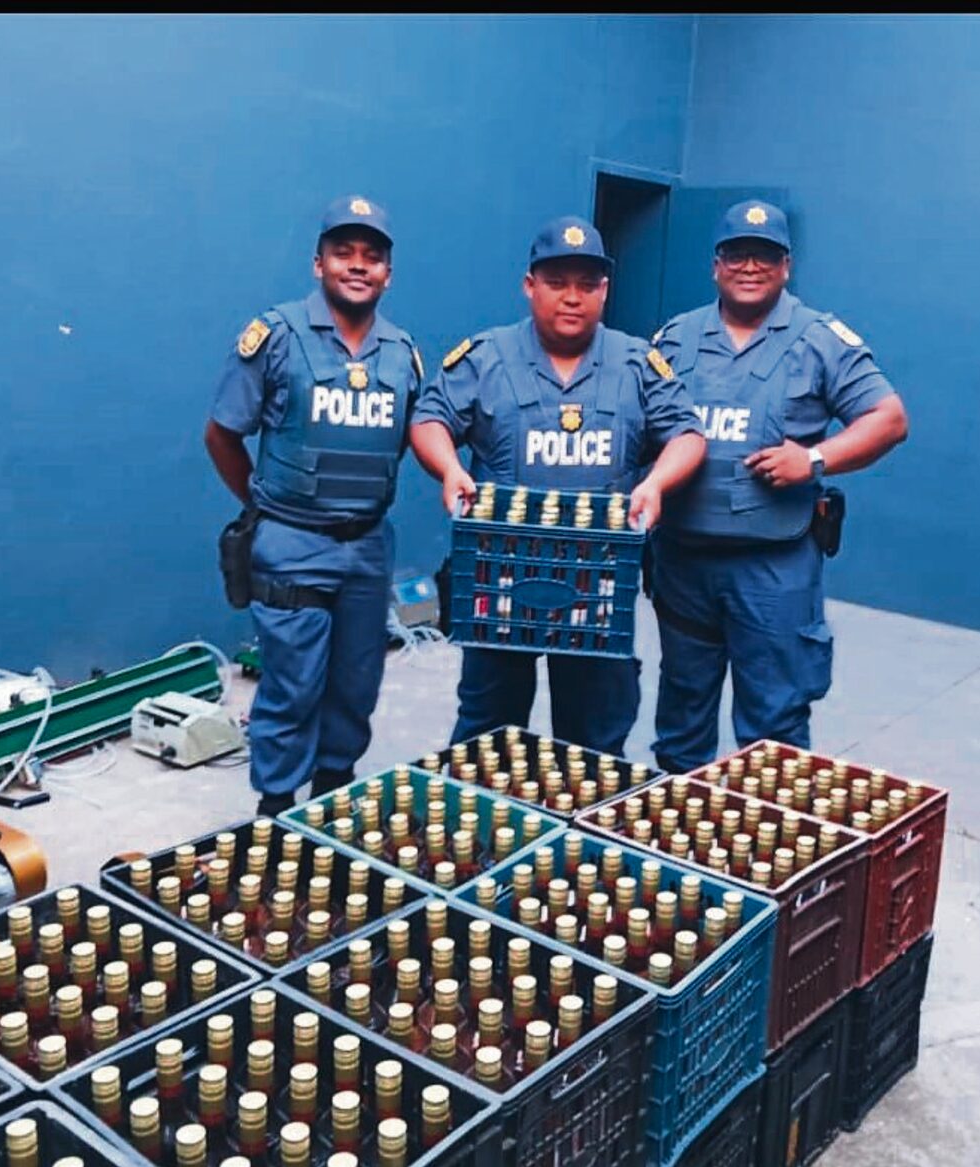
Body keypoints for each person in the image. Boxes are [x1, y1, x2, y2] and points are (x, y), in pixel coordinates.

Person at [409, 215, 706, 758]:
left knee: (595, 738)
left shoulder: (636, 361)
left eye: (587, 284)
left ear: (604, 291)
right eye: (556, 282)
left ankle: (583, 837)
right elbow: (431, 419)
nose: (572, 297)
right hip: (500, 580)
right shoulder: (486, 357)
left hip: (598, 588)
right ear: (530, 286)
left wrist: (658, 482)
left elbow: (687, 433)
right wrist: (450, 468)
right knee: (487, 731)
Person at [649, 199, 909, 771]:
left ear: (786, 266)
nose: (750, 266)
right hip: (684, 561)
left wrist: (813, 459)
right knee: (681, 718)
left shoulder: (820, 338)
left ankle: (763, 848)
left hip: (774, 568)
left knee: (774, 729)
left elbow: (889, 419)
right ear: (716, 265)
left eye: (764, 256)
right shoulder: (674, 339)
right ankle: (675, 842)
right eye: (737, 254)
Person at [204, 195, 422, 817]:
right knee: (292, 684)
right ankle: (275, 811)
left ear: (388, 273)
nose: (359, 265)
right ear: (318, 263)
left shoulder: (402, 352)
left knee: (357, 683)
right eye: (344, 253)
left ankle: (331, 797)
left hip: (368, 544)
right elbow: (222, 433)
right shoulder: (275, 337)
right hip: (292, 543)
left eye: (372, 256)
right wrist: (263, 505)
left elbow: (403, 441)